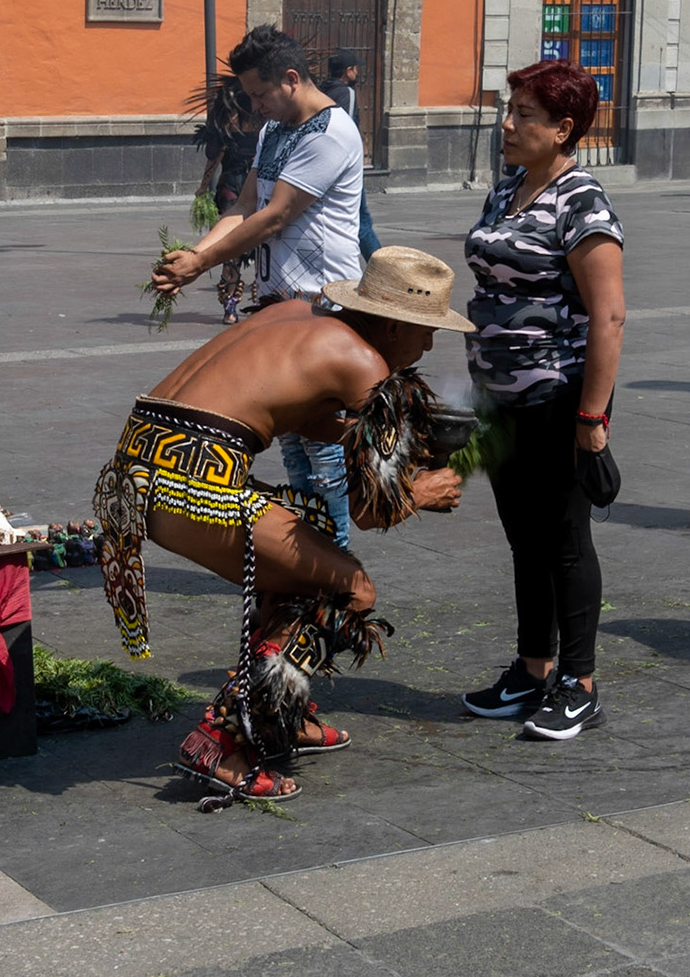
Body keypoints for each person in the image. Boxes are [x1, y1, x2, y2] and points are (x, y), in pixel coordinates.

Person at [94, 248, 469, 804]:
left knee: (298, 557)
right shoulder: (365, 362)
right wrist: (423, 487)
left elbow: (299, 410)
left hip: (136, 467)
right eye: (426, 331)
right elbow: (369, 512)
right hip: (190, 483)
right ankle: (224, 740)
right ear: (394, 323)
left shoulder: (296, 312)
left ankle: (281, 718)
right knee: (350, 587)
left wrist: (376, 440)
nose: (430, 346)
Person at [460, 60, 626, 740]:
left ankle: (579, 683)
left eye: (527, 115)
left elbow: (609, 316)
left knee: (563, 541)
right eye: (510, 110)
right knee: (523, 539)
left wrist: (592, 419)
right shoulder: (507, 191)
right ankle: (533, 669)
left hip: (559, 397)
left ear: (565, 129)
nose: (509, 124)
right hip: (499, 401)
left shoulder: (582, 202)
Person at [154, 25, 365, 549]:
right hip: (279, 307)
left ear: (290, 79)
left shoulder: (331, 132)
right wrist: (197, 254)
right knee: (293, 442)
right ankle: (310, 553)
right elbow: (244, 206)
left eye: (258, 93)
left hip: (324, 307)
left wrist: (200, 266)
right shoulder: (275, 130)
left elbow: (275, 217)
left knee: (324, 447)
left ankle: (333, 560)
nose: (253, 105)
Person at [191, 73, 261, 323]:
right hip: (235, 188)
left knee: (256, 247)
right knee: (232, 247)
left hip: (250, 188)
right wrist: (203, 187)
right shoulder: (233, 122)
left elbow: (213, 156)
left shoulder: (267, 122)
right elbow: (214, 156)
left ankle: (248, 303)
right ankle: (232, 305)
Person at [319, 51, 382, 261]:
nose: (357, 72)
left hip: (322, 164)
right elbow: (344, 131)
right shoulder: (347, 94)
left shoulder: (322, 91)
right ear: (348, 71)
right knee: (361, 218)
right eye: (355, 68)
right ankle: (380, 267)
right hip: (345, 167)